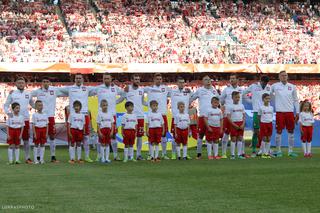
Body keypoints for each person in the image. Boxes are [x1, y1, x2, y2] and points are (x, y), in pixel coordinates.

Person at [59, 74, 95, 162]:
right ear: (74, 79)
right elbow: (57, 90)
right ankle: (72, 158)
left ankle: (86, 156)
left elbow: (99, 89)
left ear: (83, 79)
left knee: (86, 137)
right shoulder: (70, 88)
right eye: (77, 78)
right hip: (73, 115)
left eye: (80, 78)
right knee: (72, 138)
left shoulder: (87, 89)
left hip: (84, 114)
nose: (78, 79)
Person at [93, 73, 125, 161]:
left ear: (111, 79)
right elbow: (88, 93)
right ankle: (99, 155)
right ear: (103, 79)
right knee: (100, 136)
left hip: (112, 115)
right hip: (101, 115)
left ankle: (115, 155)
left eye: (108, 78)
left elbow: (124, 94)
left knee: (114, 136)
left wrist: (116, 102)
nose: (106, 80)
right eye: (105, 78)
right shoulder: (98, 88)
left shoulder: (115, 88)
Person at [31, 77, 63, 163]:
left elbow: (66, 91)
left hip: (50, 116)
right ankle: (38, 157)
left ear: (49, 83)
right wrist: (34, 106)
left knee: (52, 136)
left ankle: (53, 156)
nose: (45, 83)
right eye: (44, 81)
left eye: (47, 81)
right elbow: (27, 95)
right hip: (40, 117)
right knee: (39, 138)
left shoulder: (54, 90)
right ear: (42, 82)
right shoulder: (37, 91)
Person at [4, 77, 34, 164]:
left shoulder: (28, 94)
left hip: (25, 119)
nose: (21, 84)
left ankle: (27, 158)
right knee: (13, 141)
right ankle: (13, 159)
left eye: (22, 83)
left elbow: (33, 104)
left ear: (25, 84)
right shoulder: (12, 93)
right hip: (14, 121)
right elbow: (6, 105)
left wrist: (43, 109)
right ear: (16, 84)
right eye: (19, 83)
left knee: (26, 140)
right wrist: (9, 113)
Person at [271, 70, 300, 157]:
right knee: (278, 131)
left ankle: (290, 151)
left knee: (291, 131)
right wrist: (274, 100)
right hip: (280, 112)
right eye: (282, 75)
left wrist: (297, 112)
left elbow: (295, 100)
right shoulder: (274, 86)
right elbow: (268, 94)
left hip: (289, 112)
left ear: (287, 77)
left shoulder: (292, 86)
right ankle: (278, 150)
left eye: (285, 75)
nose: (284, 77)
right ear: (279, 77)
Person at [190, 75, 219, 159]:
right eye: (206, 80)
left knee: (212, 135)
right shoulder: (200, 90)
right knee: (200, 135)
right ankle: (199, 154)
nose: (208, 81)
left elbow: (218, 100)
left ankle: (213, 154)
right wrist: (187, 103)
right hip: (203, 116)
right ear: (203, 82)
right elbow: (192, 98)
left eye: (209, 79)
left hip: (212, 117)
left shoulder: (214, 90)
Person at [144, 73, 171, 160]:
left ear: (161, 80)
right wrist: (145, 104)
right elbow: (138, 92)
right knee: (150, 136)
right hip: (151, 115)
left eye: (160, 79)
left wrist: (188, 91)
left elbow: (176, 92)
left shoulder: (165, 88)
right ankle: (150, 154)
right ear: (154, 80)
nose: (159, 80)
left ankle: (163, 153)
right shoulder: (149, 88)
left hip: (162, 114)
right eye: (157, 79)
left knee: (163, 135)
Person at [243, 75, 271, 157]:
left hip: (266, 112)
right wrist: (251, 101)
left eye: (266, 83)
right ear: (260, 81)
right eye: (263, 83)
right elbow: (244, 94)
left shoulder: (269, 87)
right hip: (256, 112)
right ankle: (254, 150)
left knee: (266, 133)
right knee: (256, 131)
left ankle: (265, 150)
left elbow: (272, 96)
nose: (264, 85)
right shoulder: (253, 86)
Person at [220, 73, 246, 159]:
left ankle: (241, 153)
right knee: (226, 134)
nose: (231, 80)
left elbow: (245, 99)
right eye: (230, 78)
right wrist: (224, 107)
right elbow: (221, 100)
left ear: (237, 80)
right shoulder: (226, 90)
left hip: (238, 116)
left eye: (233, 78)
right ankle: (224, 153)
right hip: (229, 116)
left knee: (240, 136)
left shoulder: (241, 90)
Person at [123, 74, 146, 160]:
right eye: (135, 79)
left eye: (138, 79)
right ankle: (129, 155)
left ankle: (138, 154)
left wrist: (150, 105)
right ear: (132, 80)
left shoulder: (142, 90)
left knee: (139, 136)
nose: (137, 81)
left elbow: (143, 102)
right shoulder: (127, 89)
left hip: (140, 116)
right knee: (130, 136)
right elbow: (122, 98)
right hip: (130, 116)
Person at [169, 76, 192, 160]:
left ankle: (185, 154)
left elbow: (193, 97)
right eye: (180, 82)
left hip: (185, 117)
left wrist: (190, 92)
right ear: (177, 83)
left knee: (185, 138)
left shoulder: (187, 91)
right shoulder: (172, 91)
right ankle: (174, 154)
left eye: (183, 82)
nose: (181, 84)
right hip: (175, 117)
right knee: (175, 138)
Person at [227, 91, 246, 160]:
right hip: (233, 123)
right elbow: (228, 117)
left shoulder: (242, 105)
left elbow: (244, 115)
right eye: (236, 97)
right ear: (232, 98)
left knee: (240, 138)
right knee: (233, 139)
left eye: (238, 97)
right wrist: (233, 124)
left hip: (241, 123)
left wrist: (243, 123)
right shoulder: (229, 106)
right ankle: (232, 155)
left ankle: (239, 154)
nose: (237, 98)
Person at [258, 93, 273, 159]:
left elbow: (271, 115)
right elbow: (259, 116)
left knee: (269, 138)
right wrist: (260, 124)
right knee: (264, 138)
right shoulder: (261, 108)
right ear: (263, 99)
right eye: (266, 98)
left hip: (270, 123)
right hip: (263, 123)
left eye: (269, 98)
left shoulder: (271, 107)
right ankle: (263, 153)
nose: (268, 100)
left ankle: (267, 153)